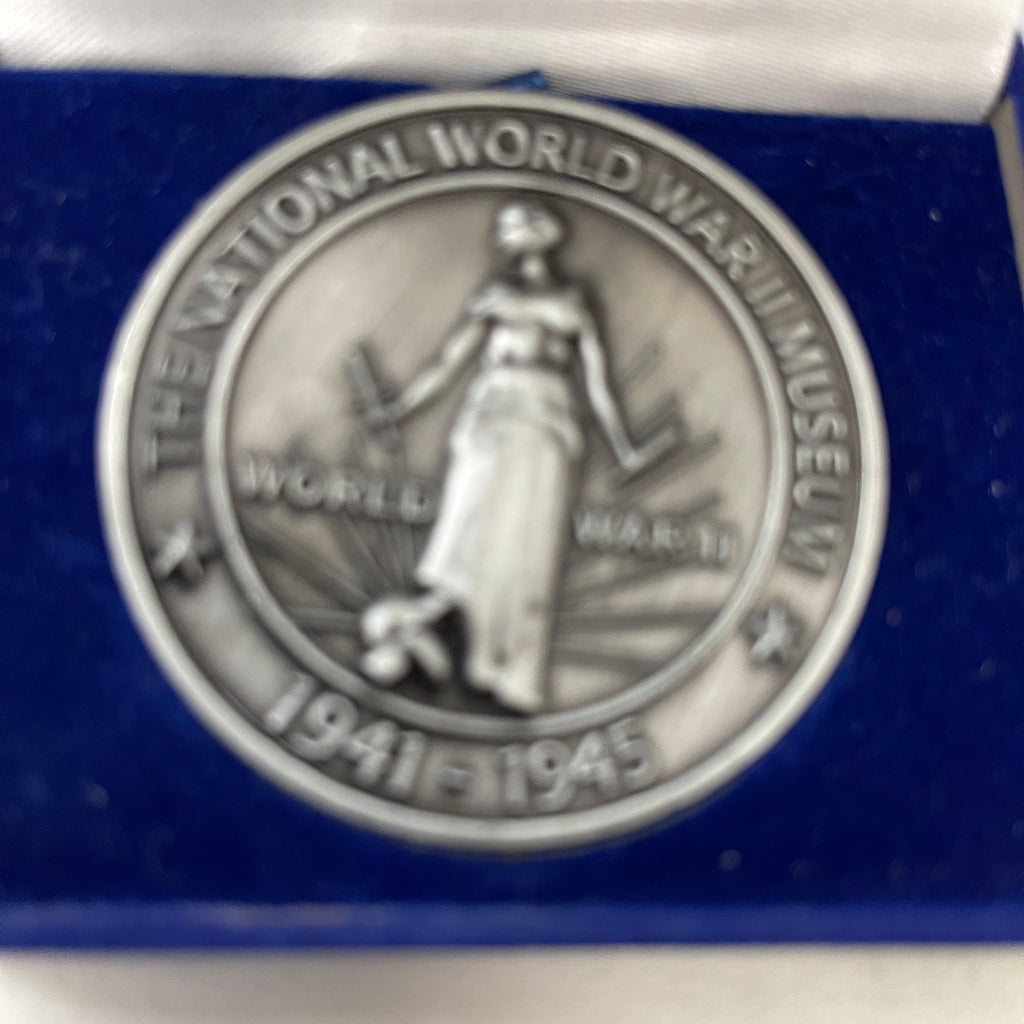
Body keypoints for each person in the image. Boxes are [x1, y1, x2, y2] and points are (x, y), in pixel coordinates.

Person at [358, 200, 673, 714]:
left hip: (545, 419)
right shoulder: (495, 296)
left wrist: (624, 447)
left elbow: (598, 382)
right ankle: (438, 630)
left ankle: (503, 672)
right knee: (466, 525)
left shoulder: (572, 301)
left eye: (512, 231)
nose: (505, 241)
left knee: (526, 541)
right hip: (492, 414)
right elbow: (448, 361)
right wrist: (401, 408)